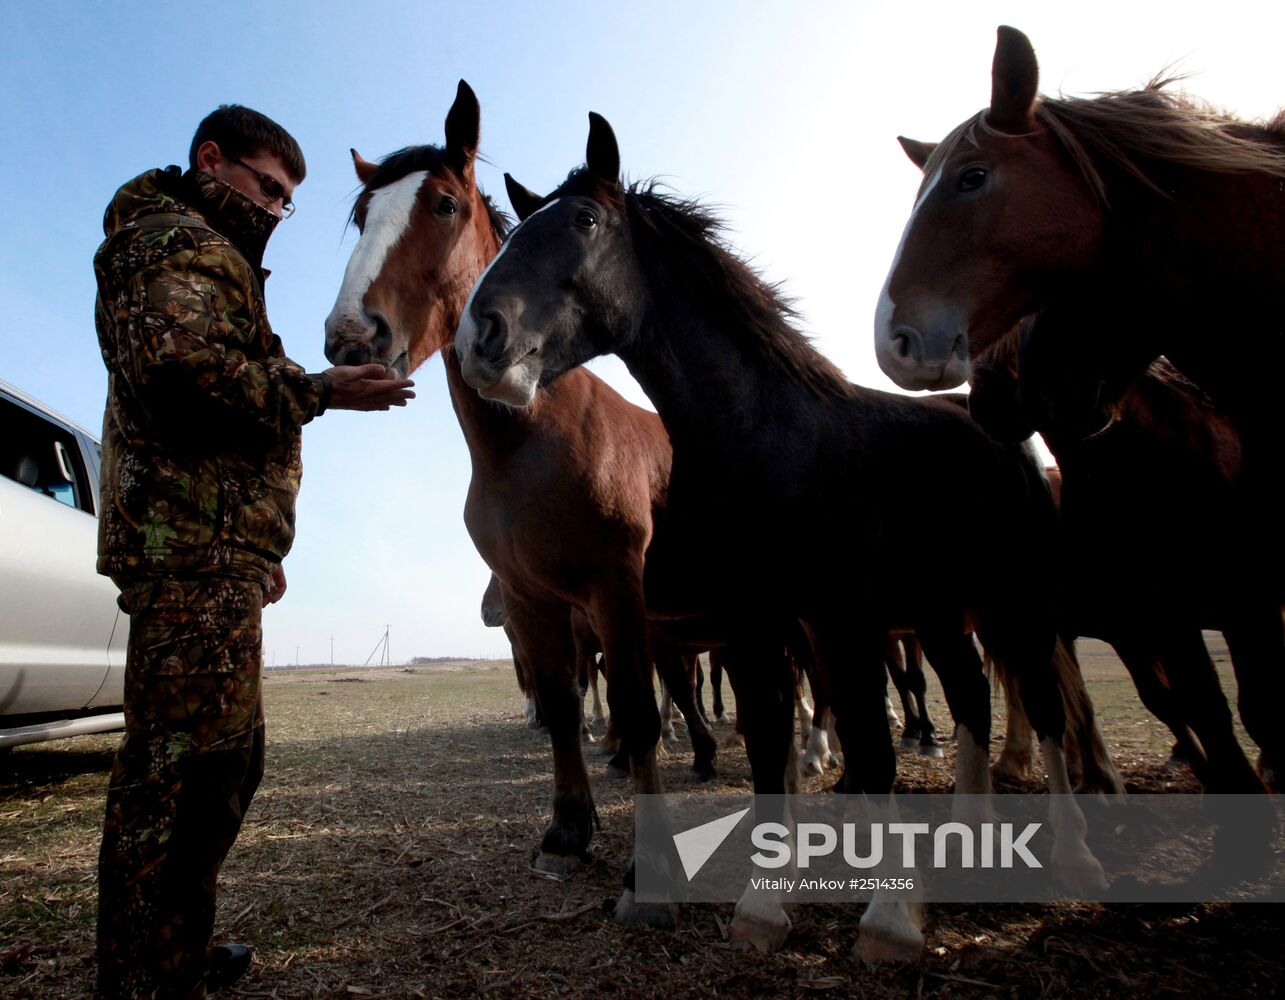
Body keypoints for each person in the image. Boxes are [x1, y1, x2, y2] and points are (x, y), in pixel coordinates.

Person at [92, 104, 414, 998]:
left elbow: (215, 406)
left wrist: (256, 542)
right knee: (176, 781)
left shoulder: (212, 253)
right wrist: (317, 390)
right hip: (186, 552)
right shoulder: (163, 241)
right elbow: (179, 375)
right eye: (267, 186)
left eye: (287, 200)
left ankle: (175, 953)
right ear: (211, 158)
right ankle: (139, 977)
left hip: (217, 550)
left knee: (223, 767)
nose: (276, 208)